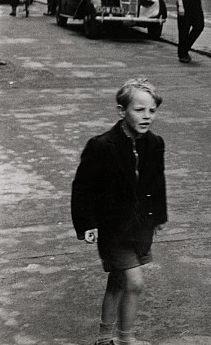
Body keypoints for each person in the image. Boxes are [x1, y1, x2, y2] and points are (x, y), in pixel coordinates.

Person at [71, 78, 167, 345]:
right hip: (113, 229)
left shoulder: (155, 143)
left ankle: (104, 338)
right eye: (139, 110)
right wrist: (87, 223)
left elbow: (157, 181)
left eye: (152, 110)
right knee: (134, 283)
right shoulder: (101, 146)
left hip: (140, 229)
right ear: (121, 111)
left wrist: (158, 216)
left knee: (117, 281)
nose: (147, 116)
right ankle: (126, 339)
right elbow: (83, 188)